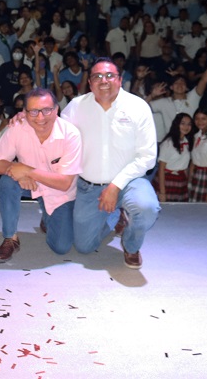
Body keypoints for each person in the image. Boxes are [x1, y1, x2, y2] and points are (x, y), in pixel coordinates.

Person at [60, 57, 159, 269]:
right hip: (89, 186)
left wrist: (115, 186)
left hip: (131, 181)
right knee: (84, 247)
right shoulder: (76, 107)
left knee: (147, 208)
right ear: (90, 82)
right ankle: (114, 216)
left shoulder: (137, 107)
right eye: (97, 76)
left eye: (109, 75)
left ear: (120, 80)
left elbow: (148, 157)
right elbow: (57, 139)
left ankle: (131, 246)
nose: (103, 80)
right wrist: (23, 120)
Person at [0, 88, 82, 261]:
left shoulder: (71, 134)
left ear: (56, 109)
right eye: (33, 111)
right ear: (24, 112)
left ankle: (47, 217)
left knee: (61, 247)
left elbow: (65, 183)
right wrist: (18, 172)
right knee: (7, 182)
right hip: (29, 184)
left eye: (47, 110)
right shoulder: (17, 127)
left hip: (60, 192)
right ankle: (10, 238)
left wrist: (26, 170)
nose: (40, 117)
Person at [156, 113, 192, 202]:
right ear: (177, 124)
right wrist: (162, 192)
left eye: (189, 124)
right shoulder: (168, 143)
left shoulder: (187, 141)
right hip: (168, 180)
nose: (186, 127)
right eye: (183, 123)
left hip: (181, 180)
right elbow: (161, 168)